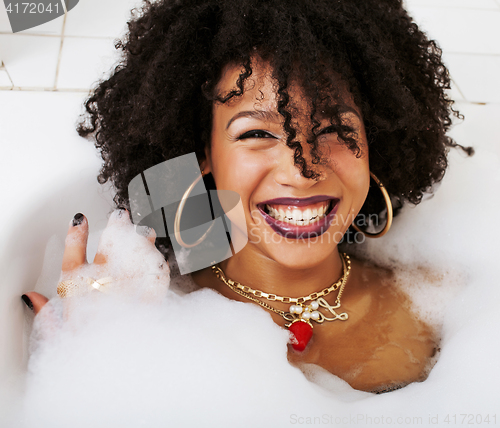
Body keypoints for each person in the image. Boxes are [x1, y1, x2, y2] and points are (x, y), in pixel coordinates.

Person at [21, 0, 471, 393]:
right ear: (203, 154)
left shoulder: (444, 304)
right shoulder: (147, 316)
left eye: (335, 129)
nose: (302, 171)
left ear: (377, 144)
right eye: (256, 133)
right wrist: (95, 356)